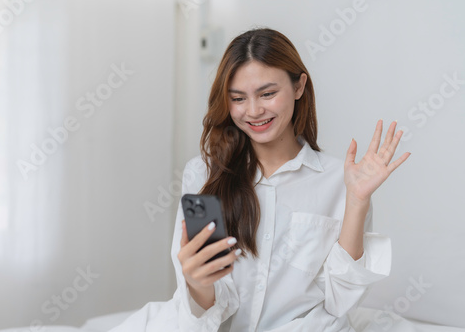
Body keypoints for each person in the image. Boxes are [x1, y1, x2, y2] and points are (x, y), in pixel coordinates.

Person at [109, 27, 410, 332]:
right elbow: (203, 311)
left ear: (299, 86)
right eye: (238, 98)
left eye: (268, 94)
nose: (253, 111)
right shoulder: (204, 174)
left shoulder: (340, 181)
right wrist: (197, 282)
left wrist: (357, 202)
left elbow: (340, 302)